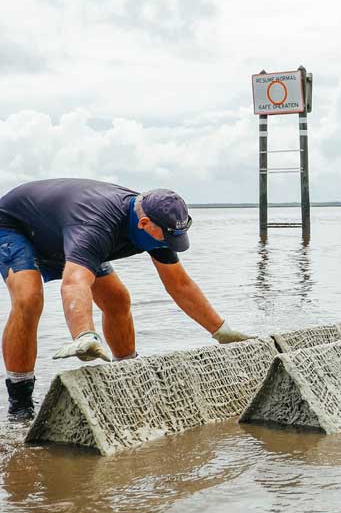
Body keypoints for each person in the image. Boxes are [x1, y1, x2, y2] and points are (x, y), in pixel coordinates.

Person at [0, 179, 251, 421]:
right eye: (166, 237)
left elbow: (180, 285)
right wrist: (85, 335)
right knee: (28, 298)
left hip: (64, 231)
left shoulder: (158, 223)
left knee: (117, 299)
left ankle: (127, 375)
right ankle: (20, 404)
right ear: (143, 223)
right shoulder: (96, 226)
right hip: (15, 226)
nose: (169, 244)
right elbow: (75, 282)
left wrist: (221, 331)